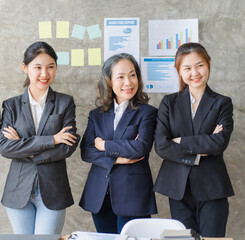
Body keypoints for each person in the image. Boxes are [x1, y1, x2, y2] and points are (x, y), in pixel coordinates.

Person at [0, 41, 80, 234]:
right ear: (25, 68)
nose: (44, 74)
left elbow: (68, 146)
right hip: (18, 191)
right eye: (38, 67)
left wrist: (25, 148)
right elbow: (4, 147)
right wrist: (51, 140)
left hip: (53, 190)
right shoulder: (11, 105)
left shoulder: (65, 102)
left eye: (50, 67)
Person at [154, 42, 234, 237]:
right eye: (187, 68)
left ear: (208, 64)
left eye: (200, 65)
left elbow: (219, 143)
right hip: (178, 187)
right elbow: (162, 146)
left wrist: (180, 141)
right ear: (179, 71)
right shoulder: (169, 103)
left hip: (212, 188)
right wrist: (201, 147)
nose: (195, 73)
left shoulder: (222, 103)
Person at [79, 53, 157, 234]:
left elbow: (141, 148)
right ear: (109, 81)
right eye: (120, 77)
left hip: (133, 195)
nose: (128, 82)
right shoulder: (96, 114)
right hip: (99, 195)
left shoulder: (147, 112)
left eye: (132, 75)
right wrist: (118, 159)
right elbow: (86, 151)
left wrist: (105, 146)